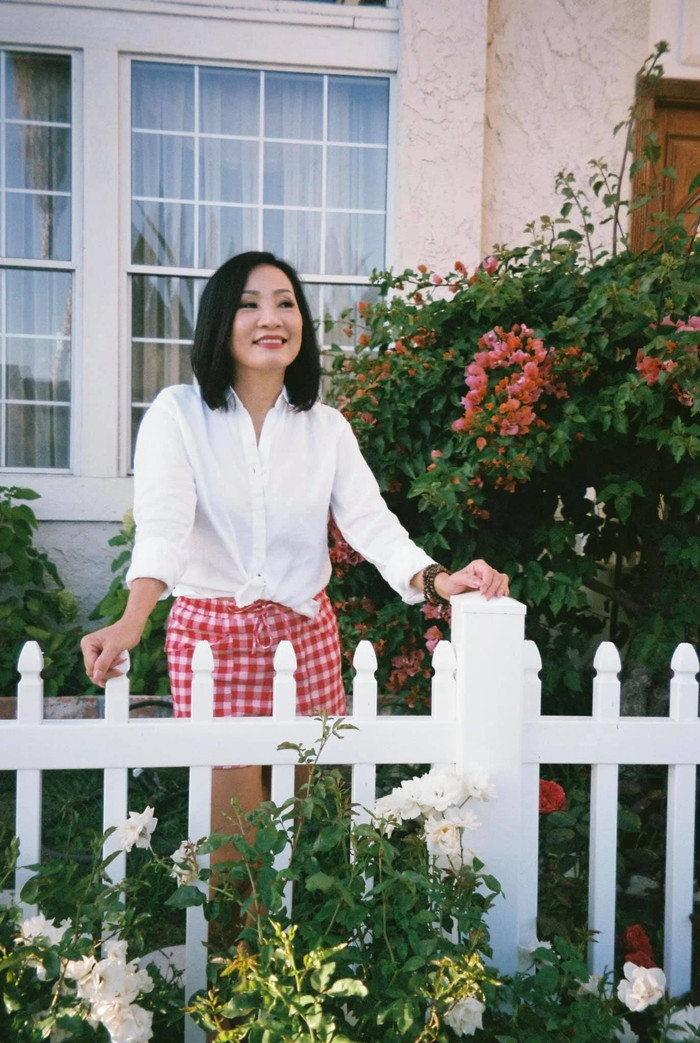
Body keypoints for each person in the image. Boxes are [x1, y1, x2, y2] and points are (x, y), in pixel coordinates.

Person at [80, 250, 509, 864]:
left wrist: (441, 580)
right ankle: (238, 929)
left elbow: (372, 525)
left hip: (305, 636)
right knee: (236, 845)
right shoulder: (179, 414)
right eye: (249, 304)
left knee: (296, 834)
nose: (270, 318)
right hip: (212, 637)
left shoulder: (325, 427)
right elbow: (164, 527)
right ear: (221, 320)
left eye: (285, 303)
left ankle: (285, 930)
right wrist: (132, 621)